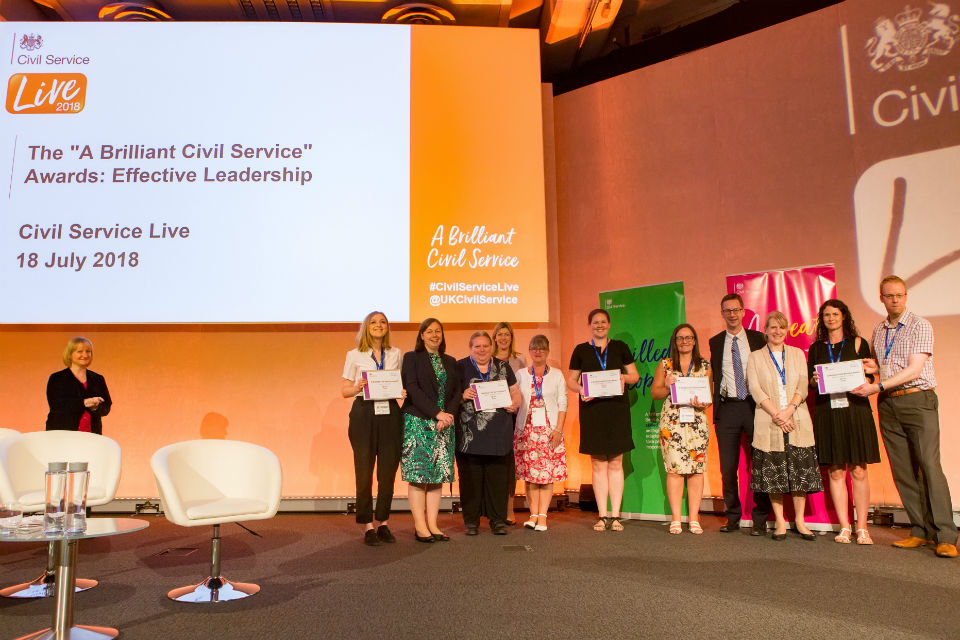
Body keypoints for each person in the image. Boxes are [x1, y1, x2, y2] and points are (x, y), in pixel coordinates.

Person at [851, 275, 957, 558]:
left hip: (917, 400)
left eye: (899, 295)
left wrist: (878, 385)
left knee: (929, 466)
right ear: (882, 298)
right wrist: (872, 367)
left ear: (906, 296)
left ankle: (946, 534)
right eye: (889, 295)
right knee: (903, 470)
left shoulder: (920, 325)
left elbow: (913, 370)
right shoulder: (880, 330)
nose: (895, 300)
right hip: (888, 404)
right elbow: (884, 365)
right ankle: (920, 530)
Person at [807, 299, 880, 545]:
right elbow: (812, 383)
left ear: (844, 316)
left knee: (859, 469)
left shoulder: (859, 343)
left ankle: (862, 528)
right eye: (826, 315)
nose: (830, 318)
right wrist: (816, 380)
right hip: (828, 411)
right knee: (836, 471)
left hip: (856, 410)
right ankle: (845, 527)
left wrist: (872, 371)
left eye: (835, 314)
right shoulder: (816, 348)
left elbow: (871, 374)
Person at [746, 311, 823, 541]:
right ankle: (779, 521)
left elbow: (802, 383)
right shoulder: (755, 357)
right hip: (768, 420)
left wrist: (789, 409)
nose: (777, 331)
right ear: (766, 330)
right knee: (774, 473)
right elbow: (755, 388)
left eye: (781, 327)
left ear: (786, 330)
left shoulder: (798, 354)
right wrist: (777, 415)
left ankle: (799, 521)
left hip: (797, 418)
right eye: (772, 327)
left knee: (799, 472)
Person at [566, 309, 640, 532]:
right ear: (589, 325)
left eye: (603, 322)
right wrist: (581, 390)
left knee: (616, 463)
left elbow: (634, 377)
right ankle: (602, 515)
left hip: (617, 411)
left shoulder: (620, 347)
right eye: (595, 322)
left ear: (609, 325)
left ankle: (615, 516)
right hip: (592, 411)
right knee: (598, 464)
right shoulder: (581, 350)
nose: (599, 325)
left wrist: (622, 377)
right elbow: (571, 380)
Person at [708, 293, 771, 534]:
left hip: (756, 407)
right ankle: (732, 517)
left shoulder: (758, 339)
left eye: (736, 310)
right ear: (722, 313)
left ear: (744, 312)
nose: (732, 314)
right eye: (727, 310)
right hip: (728, 409)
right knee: (727, 468)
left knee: (761, 464)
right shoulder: (715, 342)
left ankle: (760, 519)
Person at [341, 311, 403, 546]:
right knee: (364, 471)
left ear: (387, 327)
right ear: (366, 327)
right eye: (374, 322)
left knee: (387, 473)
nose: (379, 325)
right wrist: (357, 386)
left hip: (390, 414)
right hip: (363, 415)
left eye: (383, 322)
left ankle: (383, 522)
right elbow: (344, 390)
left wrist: (401, 392)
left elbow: (399, 385)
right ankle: (367, 526)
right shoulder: (354, 355)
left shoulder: (396, 353)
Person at [401, 318, 460, 543]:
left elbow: (456, 393)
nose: (435, 335)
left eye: (438, 331)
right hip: (418, 422)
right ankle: (420, 526)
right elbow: (413, 389)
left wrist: (448, 416)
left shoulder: (451, 361)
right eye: (429, 331)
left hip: (445, 424)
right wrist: (437, 413)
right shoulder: (411, 358)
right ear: (422, 335)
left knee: (437, 477)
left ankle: (433, 525)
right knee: (418, 476)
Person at [456, 331, 521, 535]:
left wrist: (516, 403)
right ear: (470, 348)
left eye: (485, 346)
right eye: (477, 346)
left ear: (491, 347)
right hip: (470, 436)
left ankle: (498, 521)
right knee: (470, 480)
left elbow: (515, 391)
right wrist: (462, 395)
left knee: (498, 480)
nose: (482, 350)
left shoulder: (503, 366)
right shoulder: (460, 366)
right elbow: (449, 395)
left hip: (498, 433)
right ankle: (471, 522)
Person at [651, 324, 712, 535]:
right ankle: (676, 518)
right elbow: (655, 393)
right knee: (675, 471)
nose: (684, 341)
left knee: (696, 471)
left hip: (697, 424)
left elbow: (709, 398)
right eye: (680, 338)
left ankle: (694, 518)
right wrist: (667, 385)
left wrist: (703, 402)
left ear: (695, 340)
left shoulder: (704, 365)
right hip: (672, 425)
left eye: (688, 337)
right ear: (674, 341)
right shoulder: (665, 365)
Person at [514, 335, 568, 532]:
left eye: (542, 348)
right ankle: (533, 515)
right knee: (530, 476)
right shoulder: (520, 374)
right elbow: (514, 399)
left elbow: (563, 403)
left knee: (546, 475)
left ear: (548, 351)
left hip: (549, 430)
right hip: (526, 430)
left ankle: (543, 517)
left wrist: (559, 430)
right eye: (534, 348)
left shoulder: (557, 375)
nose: (538, 351)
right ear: (529, 351)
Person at [493, 321, 527, 524]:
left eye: (507, 334)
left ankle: (509, 508)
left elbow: (522, 389)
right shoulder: (486, 358)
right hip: (491, 416)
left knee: (510, 464)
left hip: (512, 416)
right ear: (494, 337)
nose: (503, 338)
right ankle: (492, 507)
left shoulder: (520, 359)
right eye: (500, 334)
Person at [46, 337, 112, 434]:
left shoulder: (98, 379)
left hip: (91, 435)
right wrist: (84, 403)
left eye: (88, 351)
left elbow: (106, 407)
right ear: (70, 354)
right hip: (61, 436)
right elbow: (57, 406)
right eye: (80, 351)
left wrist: (95, 407)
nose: (85, 355)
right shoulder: (57, 378)